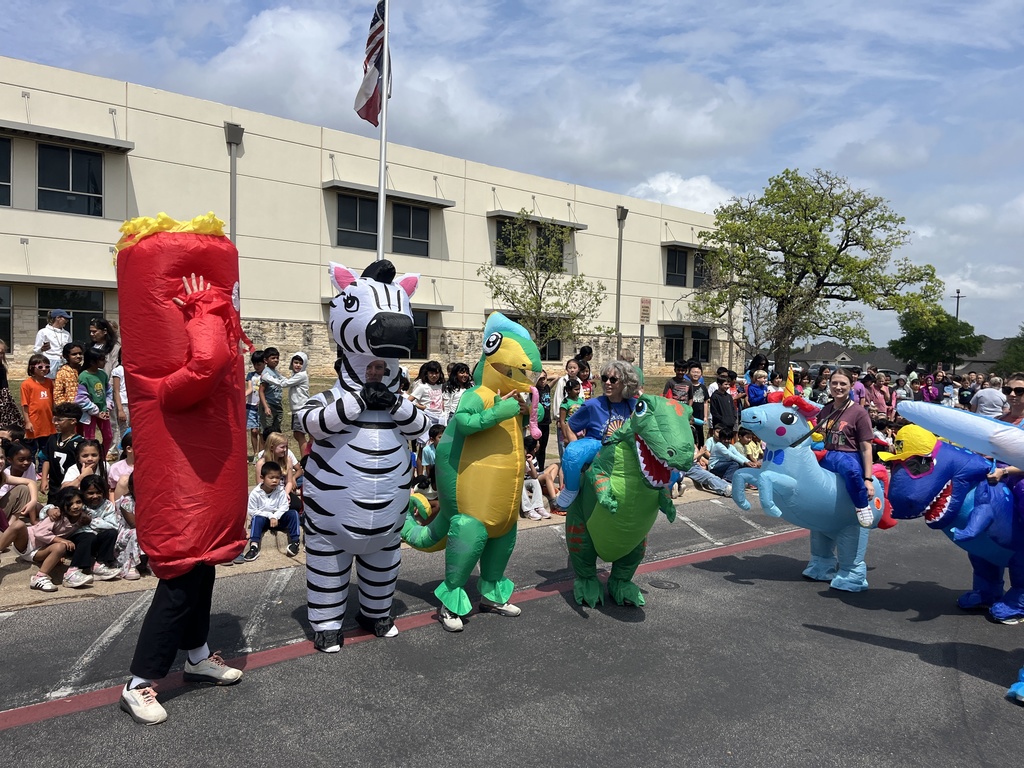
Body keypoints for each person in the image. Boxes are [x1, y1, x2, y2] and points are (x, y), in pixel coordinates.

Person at [552, 360, 638, 512]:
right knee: (573, 452)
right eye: (604, 378)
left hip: (625, 452)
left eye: (613, 379)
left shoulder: (635, 405)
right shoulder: (593, 405)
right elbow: (570, 426)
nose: (607, 383)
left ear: (625, 382)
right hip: (598, 447)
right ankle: (571, 489)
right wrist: (574, 445)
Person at [815, 368, 876, 528]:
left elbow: (866, 448)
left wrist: (868, 479)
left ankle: (862, 506)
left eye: (843, 384)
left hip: (849, 455)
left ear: (851, 385)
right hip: (827, 454)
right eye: (834, 383)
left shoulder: (859, 413)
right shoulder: (825, 410)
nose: (838, 387)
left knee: (851, 470)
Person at [0, 487, 81, 592]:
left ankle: (39, 578)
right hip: (26, 542)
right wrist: (61, 539)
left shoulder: (83, 518)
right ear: (62, 505)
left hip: (40, 552)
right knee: (18, 524)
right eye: (70, 504)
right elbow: (39, 533)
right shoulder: (56, 515)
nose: (75, 506)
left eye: (78, 502)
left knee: (61, 547)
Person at [241, 461, 301, 561]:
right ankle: (254, 546)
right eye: (271, 477)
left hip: (279, 520)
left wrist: (276, 516)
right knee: (256, 518)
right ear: (262, 477)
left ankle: (295, 542)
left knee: (293, 513)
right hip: (264, 520)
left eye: (277, 478)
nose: (275, 481)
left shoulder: (280, 491)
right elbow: (252, 511)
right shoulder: (255, 493)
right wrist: (270, 516)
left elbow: (284, 507)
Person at [39, 402, 84, 497]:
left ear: (73, 421)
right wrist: (44, 479)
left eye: (59, 420)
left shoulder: (80, 443)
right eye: (54, 419)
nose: (55, 423)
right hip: (54, 487)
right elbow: (47, 459)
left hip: (71, 487)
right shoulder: (52, 439)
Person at [20, 354, 55, 461]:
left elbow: (53, 402)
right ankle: (30, 467)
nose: (44, 369)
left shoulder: (50, 382)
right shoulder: (26, 384)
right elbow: (25, 405)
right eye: (40, 367)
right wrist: (27, 422)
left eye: (47, 366)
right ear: (32, 368)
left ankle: (42, 468)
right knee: (31, 450)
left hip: (47, 423)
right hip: (34, 423)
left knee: (45, 450)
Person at [76, 347, 112, 452]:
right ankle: (90, 457)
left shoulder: (102, 374)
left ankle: (102, 456)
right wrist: (95, 411)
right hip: (89, 413)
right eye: (102, 359)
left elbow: (108, 391)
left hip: (103, 411)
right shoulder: (83, 376)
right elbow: (81, 398)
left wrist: (108, 406)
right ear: (92, 362)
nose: (105, 362)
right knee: (89, 439)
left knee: (108, 436)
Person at [0, 441, 40, 531]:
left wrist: (33, 501)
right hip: (3, 510)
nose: (0, 461)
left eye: (1, 458)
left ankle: (9, 527)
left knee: (25, 489)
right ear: (10, 460)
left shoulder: (3, 476)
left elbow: (31, 483)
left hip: (5, 510)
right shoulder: (6, 472)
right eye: (21, 459)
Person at [551, 358, 581, 458]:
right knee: (564, 447)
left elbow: (582, 400)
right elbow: (558, 399)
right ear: (566, 369)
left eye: (574, 368)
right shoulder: (562, 381)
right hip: (564, 419)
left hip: (577, 422)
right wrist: (559, 418)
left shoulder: (579, 382)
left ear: (578, 369)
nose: (572, 370)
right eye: (570, 368)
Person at [521, 435, 556, 520]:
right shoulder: (520, 457)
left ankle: (538, 507)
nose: (539, 444)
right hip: (518, 482)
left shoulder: (530, 457)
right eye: (538, 443)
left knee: (535, 481)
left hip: (527, 481)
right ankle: (528, 510)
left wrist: (529, 462)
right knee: (520, 483)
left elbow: (534, 476)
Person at [33, 309, 72, 378]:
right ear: (58, 318)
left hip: (63, 362)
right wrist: (42, 349)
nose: (67, 321)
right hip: (49, 362)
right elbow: (36, 351)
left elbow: (70, 349)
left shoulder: (66, 334)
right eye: (65, 319)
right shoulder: (43, 332)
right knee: (48, 382)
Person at [284, 352, 310, 456]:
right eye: (296, 362)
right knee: (297, 434)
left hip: (300, 408)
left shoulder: (301, 375)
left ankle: (305, 458)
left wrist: (268, 377)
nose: (298, 365)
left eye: (300, 363)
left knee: (299, 434)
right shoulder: (295, 375)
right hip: (296, 408)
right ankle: (308, 455)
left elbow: (284, 383)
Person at [244, 350, 266, 461]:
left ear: (264, 363)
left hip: (261, 407)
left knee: (261, 432)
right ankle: (255, 453)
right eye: (254, 364)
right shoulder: (250, 375)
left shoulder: (266, 375)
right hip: (251, 406)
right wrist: (242, 396)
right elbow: (250, 389)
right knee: (253, 431)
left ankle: (261, 454)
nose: (256, 367)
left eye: (259, 364)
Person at [109, 351, 130, 460]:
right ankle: (121, 456)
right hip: (124, 403)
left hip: (133, 404)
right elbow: (116, 391)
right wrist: (120, 409)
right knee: (123, 431)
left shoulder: (133, 369)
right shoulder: (118, 370)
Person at [53, 341, 85, 406]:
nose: (78, 356)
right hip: (70, 408)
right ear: (66, 356)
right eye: (74, 354)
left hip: (86, 407)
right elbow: (58, 394)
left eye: (80, 353)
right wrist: (67, 408)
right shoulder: (62, 372)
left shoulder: (84, 370)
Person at [0, 338, 23, 428]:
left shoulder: (2, 368)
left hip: (5, 403)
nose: (1, 355)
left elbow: (5, 388)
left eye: (2, 353)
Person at [421, 423, 444, 490]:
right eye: (440, 437)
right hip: (434, 474)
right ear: (432, 439)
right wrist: (430, 479)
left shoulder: (448, 449)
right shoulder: (427, 450)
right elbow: (428, 467)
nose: (443, 439)